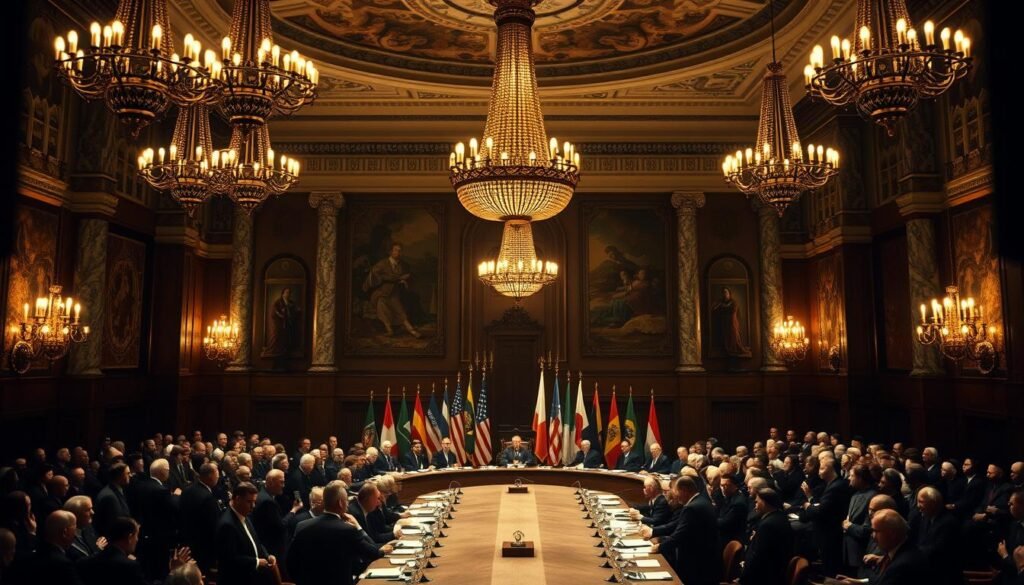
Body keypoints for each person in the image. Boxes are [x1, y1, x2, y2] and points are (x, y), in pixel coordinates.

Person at [286, 481, 390, 585]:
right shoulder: (347, 530)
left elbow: (290, 562)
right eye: (346, 501)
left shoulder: (302, 526)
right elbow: (373, 552)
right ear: (340, 503)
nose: (348, 504)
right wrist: (358, 526)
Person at [651, 476, 719, 585]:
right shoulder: (701, 501)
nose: (676, 496)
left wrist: (659, 547)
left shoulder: (692, 508)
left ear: (685, 490)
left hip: (697, 565)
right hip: (707, 560)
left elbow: (679, 536)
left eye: (677, 491)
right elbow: (679, 526)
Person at [840, 510, 928, 585]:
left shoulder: (903, 565)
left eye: (875, 531)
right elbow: (881, 580)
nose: (872, 536)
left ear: (892, 534)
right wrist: (857, 582)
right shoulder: (896, 551)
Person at [216, 482, 275, 585]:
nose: (253, 506)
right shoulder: (227, 525)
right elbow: (230, 559)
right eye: (249, 502)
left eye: (254, 502)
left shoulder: (244, 515)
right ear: (238, 499)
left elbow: (255, 542)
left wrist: (267, 555)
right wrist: (257, 562)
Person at [363, 243, 421, 338]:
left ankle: (412, 331)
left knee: (399, 310)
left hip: (396, 292)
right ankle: (390, 330)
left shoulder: (403, 265)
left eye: (400, 250)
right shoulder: (383, 263)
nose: (398, 252)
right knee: (382, 307)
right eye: (396, 250)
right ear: (390, 252)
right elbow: (375, 275)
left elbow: (408, 276)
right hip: (382, 292)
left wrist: (405, 280)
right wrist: (397, 278)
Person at [8, 509, 80, 585]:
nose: (75, 534)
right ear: (65, 532)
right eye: (74, 529)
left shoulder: (29, 556)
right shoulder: (63, 564)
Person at [740, 488, 793, 585]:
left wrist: (744, 572)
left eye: (757, 502)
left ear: (764, 502)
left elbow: (758, 556)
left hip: (764, 576)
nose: (755, 506)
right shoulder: (781, 517)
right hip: (776, 571)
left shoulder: (767, 525)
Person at [251, 469, 302, 562]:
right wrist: (294, 510)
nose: (283, 486)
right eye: (281, 482)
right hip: (273, 548)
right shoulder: (267, 502)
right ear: (270, 482)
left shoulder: (263, 494)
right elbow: (281, 526)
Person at [179, 462, 221, 573]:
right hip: (204, 549)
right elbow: (213, 527)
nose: (219, 475)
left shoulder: (187, 490)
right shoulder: (208, 497)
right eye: (217, 472)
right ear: (210, 475)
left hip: (188, 543)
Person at [93, 462, 131, 539]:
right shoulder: (109, 497)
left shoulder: (115, 491)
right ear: (119, 476)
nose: (130, 475)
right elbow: (115, 526)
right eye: (128, 473)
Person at [263, 287, 301, 360]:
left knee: (288, 336)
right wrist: (281, 314)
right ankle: (278, 351)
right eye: (286, 292)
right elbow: (275, 312)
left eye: (289, 293)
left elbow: (295, 309)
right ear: (283, 294)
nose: (288, 294)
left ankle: (286, 350)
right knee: (279, 336)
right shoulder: (278, 302)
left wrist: (296, 310)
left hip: (288, 323)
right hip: (280, 323)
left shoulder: (291, 302)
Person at [63, 495, 104, 561]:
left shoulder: (89, 528)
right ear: (76, 514)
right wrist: (98, 551)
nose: (93, 512)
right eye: (88, 510)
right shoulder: (67, 538)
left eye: (92, 508)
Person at [711, 287, 748, 357]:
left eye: (726, 292)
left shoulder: (733, 302)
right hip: (724, 322)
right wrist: (721, 307)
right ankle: (727, 349)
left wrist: (724, 307)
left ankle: (733, 349)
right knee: (725, 335)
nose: (725, 294)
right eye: (724, 292)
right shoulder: (720, 302)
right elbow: (715, 309)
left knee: (733, 335)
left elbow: (733, 310)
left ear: (729, 294)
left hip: (732, 321)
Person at [717, 473, 749, 548]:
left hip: (731, 539)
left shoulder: (738, 503)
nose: (723, 488)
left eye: (726, 485)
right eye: (721, 485)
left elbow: (726, 523)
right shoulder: (730, 496)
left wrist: (709, 519)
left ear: (734, 485)